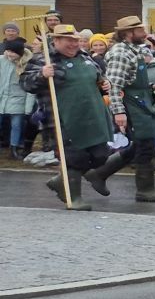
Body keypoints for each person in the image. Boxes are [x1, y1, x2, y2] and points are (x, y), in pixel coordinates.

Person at [84, 15, 155, 203]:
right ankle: (145, 190)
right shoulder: (120, 53)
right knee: (145, 146)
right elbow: (114, 85)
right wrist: (119, 112)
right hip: (130, 106)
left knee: (141, 145)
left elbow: (133, 80)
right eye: (141, 30)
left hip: (140, 103)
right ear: (128, 33)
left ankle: (98, 174)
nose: (145, 33)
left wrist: (152, 88)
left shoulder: (134, 51)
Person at [24, 23, 113, 199]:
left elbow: (98, 78)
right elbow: (26, 84)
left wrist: (104, 84)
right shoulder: (44, 60)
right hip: (62, 119)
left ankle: (60, 181)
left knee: (101, 155)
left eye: (75, 41)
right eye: (68, 41)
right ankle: (73, 197)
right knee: (74, 157)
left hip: (92, 117)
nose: (73, 44)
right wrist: (41, 74)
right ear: (56, 40)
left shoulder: (85, 57)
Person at [1, 28, 36, 159]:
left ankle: (14, 148)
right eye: (8, 51)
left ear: (20, 53)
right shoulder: (1, 61)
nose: (9, 55)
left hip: (18, 100)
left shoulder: (27, 65)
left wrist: (28, 108)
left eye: (13, 52)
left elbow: (30, 89)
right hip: (1, 98)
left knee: (16, 125)